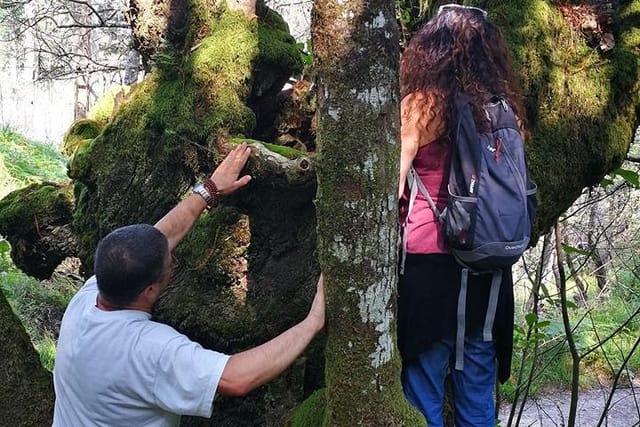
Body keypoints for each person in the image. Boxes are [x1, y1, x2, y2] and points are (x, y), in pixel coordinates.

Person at [52, 143, 325, 426]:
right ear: (150, 290)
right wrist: (312, 323)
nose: (172, 257)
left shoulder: (87, 300)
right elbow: (235, 377)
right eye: (169, 263)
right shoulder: (147, 349)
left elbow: (158, 239)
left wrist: (209, 190)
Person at [397, 5, 526, 426]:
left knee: (424, 385)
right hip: (487, 263)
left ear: (431, 49)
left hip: (429, 263)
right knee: (476, 388)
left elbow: (392, 184)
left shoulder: (421, 106)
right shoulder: (504, 111)